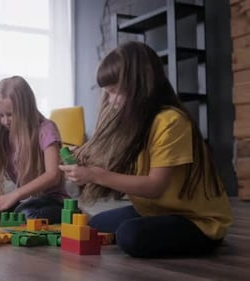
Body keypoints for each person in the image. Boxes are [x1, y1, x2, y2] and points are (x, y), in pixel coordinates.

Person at [59, 41, 232, 258]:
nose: (110, 101)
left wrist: (95, 174)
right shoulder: (132, 124)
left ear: (139, 85)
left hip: (196, 221)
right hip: (155, 211)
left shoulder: (170, 121)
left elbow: (154, 187)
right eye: (107, 93)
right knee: (97, 223)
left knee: (129, 236)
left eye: (114, 92)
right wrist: (87, 160)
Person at [0, 76, 70, 223]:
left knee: (26, 216)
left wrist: (14, 195)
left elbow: (53, 174)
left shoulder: (46, 129)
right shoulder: (3, 135)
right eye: (0, 115)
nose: (4, 121)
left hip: (54, 202)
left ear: (25, 110)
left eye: (10, 115)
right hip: (25, 202)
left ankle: (75, 215)